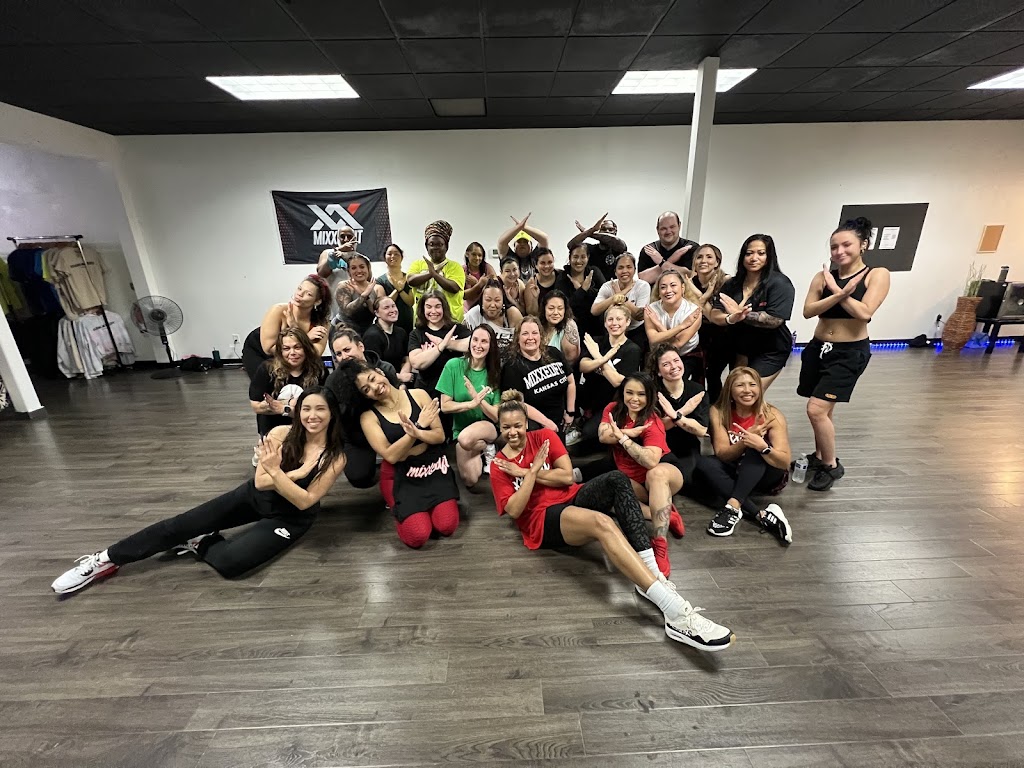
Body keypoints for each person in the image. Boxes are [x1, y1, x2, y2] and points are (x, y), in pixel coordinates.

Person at [489, 391, 734, 652]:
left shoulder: (544, 438)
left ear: (526, 423)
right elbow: (515, 510)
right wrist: (533, 472)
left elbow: (567, 478)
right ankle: (673, 612)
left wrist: (525, 471)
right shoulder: (499, 464)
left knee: (617, 479)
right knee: (603, 523)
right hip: (541, 518)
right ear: (499, 428)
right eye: (506, 427)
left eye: (517, 425)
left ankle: (652, 575)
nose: (512, 432)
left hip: (572, 495)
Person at [51, 387, 347, 595]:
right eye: (306, 408)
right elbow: (260, 483)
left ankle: (201, 541)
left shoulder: (335, 456)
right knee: (178, 524)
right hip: (257, 497)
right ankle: (106, 559)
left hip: (291, 517)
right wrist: (297, 474)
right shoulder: (281, 433)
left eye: (320, 409)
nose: (312, 415)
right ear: (298, 411)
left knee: (232, 563)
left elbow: (305, 500)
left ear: (332, 413)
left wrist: (278, 472)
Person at [798, 216, 891, 492]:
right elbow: (808, 311)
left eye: (846, 245)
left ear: (863, 245)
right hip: (818, 348)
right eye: (834, 246)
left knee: (816, 409)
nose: (839, 251)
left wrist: (840, 291)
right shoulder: (823, 277)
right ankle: (819, 455)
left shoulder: (877, 274)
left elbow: (865, 313)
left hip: (849, 352)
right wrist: (837, 292)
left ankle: (831, 465)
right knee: (824, 409)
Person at [336, 360, 461, 549]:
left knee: (447, 526)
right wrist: (418, 428)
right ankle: (399, 508)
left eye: (372, 379)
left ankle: (428, 508)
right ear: (364, 395)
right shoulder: (368, 417)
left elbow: (439, 436)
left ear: (379, 372)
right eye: (366, 389)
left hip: (432, 466)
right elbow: (391, 456)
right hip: (400, 474)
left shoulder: (419, 395)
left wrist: (414, 435)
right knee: (418, 536)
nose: (375, 388)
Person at [598, 373, 687, 576]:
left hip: (663, 472)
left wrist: (622, 439)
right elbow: (603, 436)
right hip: (633, 480)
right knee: (609, 496)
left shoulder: (652, 421)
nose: (634, 399)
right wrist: (628, 433)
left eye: (641, 394)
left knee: (656, 474)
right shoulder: (612, 409)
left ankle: (660, 544)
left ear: (649, 396)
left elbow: (650, 461)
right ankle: (668, 515)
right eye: (629, 392)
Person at [697, 367, 793, 545]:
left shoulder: (772, 415)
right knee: (703, 463)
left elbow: (784, 462)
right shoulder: (718, 412)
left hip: (766, 474)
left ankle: (733, 507)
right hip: (736, 470)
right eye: (740, 385)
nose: (747, 390)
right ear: (730, 390)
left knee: (754, 449)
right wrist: (744, 441)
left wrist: (763, 447)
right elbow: (723, 454)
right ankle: (760, 514)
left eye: (752, 385)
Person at [709, 234, 796, 390]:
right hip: (740, 347)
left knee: (748, 393)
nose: (754, 258)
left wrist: (741, 314)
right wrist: (730, 318)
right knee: (736, 394)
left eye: (761, 253)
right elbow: (716, 312)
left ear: (769, 257)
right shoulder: (732, 284)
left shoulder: (780, 283)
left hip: (770, 350)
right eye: (749, 253)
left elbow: (775, 320)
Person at [325, 329, 401, 491]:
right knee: (359, 477)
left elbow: (397, 400)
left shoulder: (385, 369)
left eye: (347, 350)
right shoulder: (333, 380)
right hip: (356, 435)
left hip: (388, 426)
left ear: (361, 346)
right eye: (338, 354)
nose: (344, 356)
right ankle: (379, 472)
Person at [437, 325, 502, 486]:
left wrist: (478, 400)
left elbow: (496, 416)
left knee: (465, 439)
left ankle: (487, 445)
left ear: (491, 346)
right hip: (461, 429)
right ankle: (483, 447)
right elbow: (445, 406)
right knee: (470, 480)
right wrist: (471, 404)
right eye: (475, 340)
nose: (478, 345)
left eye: (484, 341)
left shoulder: (494, 372)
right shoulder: (453, 365)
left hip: (487, 426)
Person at [248, 327, 325, 461]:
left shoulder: (318, 369)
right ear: (280, 351)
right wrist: (282, 406)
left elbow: (324, 407)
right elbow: (256, 406)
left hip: (307, 425)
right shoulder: (267, 369)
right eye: (286, 349)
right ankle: (265, 446)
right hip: (274, 426)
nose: (292, 353)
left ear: (306, 348)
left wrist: (284, 408)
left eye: (297, 347)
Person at [577, 305, 644, 447]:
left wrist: (597, 356)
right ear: (605, 323)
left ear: (627, 322)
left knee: (589, 436)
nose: (614, 323)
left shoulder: (632, 349)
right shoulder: (596, 341)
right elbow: (583, 366)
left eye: (619, 319)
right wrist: (603, 360)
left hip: (613, 403)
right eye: (610, 319)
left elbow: (617, 381)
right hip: (590, 399)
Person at [500, 316, 577, 438]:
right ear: (518, 338)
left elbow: (571, 382)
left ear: (541, 336)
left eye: (534, 333)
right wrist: (546, 422)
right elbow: (518, 403)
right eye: (525, 333)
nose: (530, 338)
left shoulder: (554, 353)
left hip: (560, 423)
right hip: (535, 426)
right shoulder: (512, 367)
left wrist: (570, 412)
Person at [241, 275, 330, 379]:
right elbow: (269, 349)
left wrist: (297, 332)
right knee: (268, 380)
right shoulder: (278, 310)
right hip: (259, 349)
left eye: (308, 294)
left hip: (291, 355)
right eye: (299, 289)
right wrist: (305, 338)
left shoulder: (322, 322)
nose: (300, 294)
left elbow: (316, 353)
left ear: (317, 301)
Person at [651, 344, 709, 494]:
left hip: (687, 446)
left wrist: (675, 415)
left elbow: (701, 430)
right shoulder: (652, 392)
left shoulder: (697, 390)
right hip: (659, 446)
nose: (674, 366)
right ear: (658, 371)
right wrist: (684, 412)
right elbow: (655, 428)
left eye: (676, 360)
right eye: (666, 364)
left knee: (688, 481)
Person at [407, 291, 471, 396]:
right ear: (423, 309)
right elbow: (416, 363)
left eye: (437, 306)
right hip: (426, 390)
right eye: (429, 307)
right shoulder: (416, 333)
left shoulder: (456, 328)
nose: (433, 311)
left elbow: (472, 345)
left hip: (454, 388)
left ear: (444, 308)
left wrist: (447, 343)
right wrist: (440, 347)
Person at [688, 244, 731, 402]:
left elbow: (713, 316)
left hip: (723, 335)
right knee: (697, 372)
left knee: (713, 373)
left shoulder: (726, 281)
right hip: (699, 332)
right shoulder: (691, 281)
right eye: (699, 257)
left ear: (717, 262)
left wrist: (700, 295)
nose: (703, 261)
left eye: (709, 257)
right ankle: (698, 407)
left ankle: (716, 407)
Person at [408, 220, 466, 323]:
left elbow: (454, 288)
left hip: (450, 321)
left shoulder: (455, 266)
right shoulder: (418, 264)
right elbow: (410, 281)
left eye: (440, 244)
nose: (435, 248)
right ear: (426, 246)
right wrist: (430, 273)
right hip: (422, 321)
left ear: (446, 246)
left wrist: (434, 274)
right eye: (431, 244)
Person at [644, 269, 702, 369]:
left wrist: (659, 325)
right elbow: (653, 339)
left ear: (683, 288)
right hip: (658, 354)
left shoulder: (693, 312)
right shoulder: (651, 310)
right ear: (658, 291)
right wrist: (682, 326)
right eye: (663, 287)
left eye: (673, 285)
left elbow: (677, 344)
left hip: (686, 355)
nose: (668, 290)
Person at [592, 253, 651, 350]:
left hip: (635, 330)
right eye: (620, 268)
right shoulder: (608, 286)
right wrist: (614, 297)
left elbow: (639, 316)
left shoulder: (643, 286)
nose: (625, 271)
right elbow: (594, 310)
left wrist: (621, 297)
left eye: (629, 267)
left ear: (634, 270)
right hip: (613, 329)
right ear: (615, 272)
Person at [555, 243, 605, 338]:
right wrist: (582, 290)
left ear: (588, 257)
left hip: (597, 327)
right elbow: (564, 306)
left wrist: (585, 290)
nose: (579, 261)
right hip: (572, 328)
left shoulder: (594, 272)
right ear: (570, 258)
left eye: (583, 257)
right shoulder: (563, 277)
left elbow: (604, 296)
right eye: (575, 257)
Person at [638, 211, 701, 285]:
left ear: (679, 226)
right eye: (663, 228)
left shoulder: (692, 248)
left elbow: (690, 277)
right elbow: (643, 280)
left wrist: (661, 262)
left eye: (672, 227)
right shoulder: (649, 250)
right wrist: (672, 259)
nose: (668, 231)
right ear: (657, 230)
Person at [463, 278, 523, 352]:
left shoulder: (512, 314)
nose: (492, 305)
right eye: (488, 300)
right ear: (482, 301)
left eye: (497, 300)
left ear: (503, 301)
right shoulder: (472, 316)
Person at [332, 252, 386, 334]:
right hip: (343, 329)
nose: (359, 271)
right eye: (353, 268)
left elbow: (378, 313)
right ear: (349, 271)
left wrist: (366, 297)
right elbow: (347, 311)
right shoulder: (344, 286)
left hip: (367, 330)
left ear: (368, 268)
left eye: (362, 267)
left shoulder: (377, 288)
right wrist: (364, 295)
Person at [362, 295, 411, 382]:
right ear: (377, 313)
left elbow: (406, 358)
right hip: (383, 381)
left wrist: (403, 376)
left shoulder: (401, 332)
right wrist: (399, 378)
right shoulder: (372, 336)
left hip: (403, 378)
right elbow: (373, 367)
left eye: (393, 306)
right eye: (386, 308)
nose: (392, 310)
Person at [498, 212, 550, 282]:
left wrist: (523, 227)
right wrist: (518, 227)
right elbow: (501, 242)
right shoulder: (509, 257)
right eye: (519, 242)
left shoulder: (536, 256)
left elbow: (544, 239)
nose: (522, 244)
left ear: (531, 246)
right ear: (514, 246)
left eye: (525, 242)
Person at [376, 243, 415, 334]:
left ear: (402, 257)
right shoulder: (380, 280)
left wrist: (400, 290)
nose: (393, 256)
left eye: (396, 254)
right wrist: (397, 289)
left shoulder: (409, 278)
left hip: (407, 322)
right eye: (389, 254)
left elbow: (410, 302)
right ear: (384, 257)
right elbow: (383, 304)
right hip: (388, 323)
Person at [317, 225, 357, 302]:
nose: (346, 240)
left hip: (353, 301)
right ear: (338, 238)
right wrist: (338, 251)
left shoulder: (360, 257)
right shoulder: (328, 253)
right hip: (331, 299)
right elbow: (321, 274)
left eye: (349, 236)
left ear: (354, 238)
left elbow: (367, 281)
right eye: (342, 236)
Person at [539, 290, 580, 364]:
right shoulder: (538, 325)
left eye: (560, 308)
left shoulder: (569, 325)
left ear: (565, 310)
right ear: (544, 309)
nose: (555, 313)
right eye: (551, 308)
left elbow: (571, 360)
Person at [462, 241, 497, 311]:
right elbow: (462, 295)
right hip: (467, 308)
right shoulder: (462, 270)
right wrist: (479, 284)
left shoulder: (488, 268)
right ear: (467, 254)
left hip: (486, 307)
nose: (477, 258)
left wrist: (476, 283)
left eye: (480, 255)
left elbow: (495, 290)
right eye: (474, 254)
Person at [523, 247, 557, 317]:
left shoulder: (561, 276)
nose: (546, 266)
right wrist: (535, 298)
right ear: (536, 265)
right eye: (542, 263)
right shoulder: (532, 283)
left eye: (550, 262)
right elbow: (531, 313)